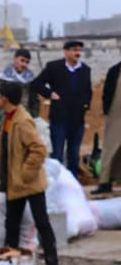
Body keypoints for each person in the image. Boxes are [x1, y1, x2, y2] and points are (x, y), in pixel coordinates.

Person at [0, 81, 59, 265]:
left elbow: (38, 149)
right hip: (15, 184)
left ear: (5, 98)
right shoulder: (8, 118)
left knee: (42, 223)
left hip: (29, 183)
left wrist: (25, 172)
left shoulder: (22, 121)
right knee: (11, 225)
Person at [31, 41, 92, 177]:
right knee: (57, 153)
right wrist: (50, 94)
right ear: (66, 52)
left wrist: (85, 105)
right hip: (59, 118)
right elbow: (36, 83)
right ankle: (56, 182)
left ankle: (72, 183)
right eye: (74, 50)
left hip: (77, 119)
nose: (77, 53)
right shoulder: (54, 67)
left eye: (79, 50)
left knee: (74, 154)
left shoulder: (85, 70)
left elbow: (88, 91)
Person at [0, 48, 38, 131]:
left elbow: (34, 101)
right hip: (4, 119)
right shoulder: (1, 79)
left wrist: (32, 118)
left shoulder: (30, 80)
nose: (24, 64)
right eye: (22, 60)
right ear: (14, 59)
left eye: (27, 62)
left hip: (23, 120)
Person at [97, 60, 121, 194]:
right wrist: (106, 110)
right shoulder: (114, 71)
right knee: (110, 148)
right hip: (115, 114)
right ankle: (105, 182)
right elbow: (107, 92)